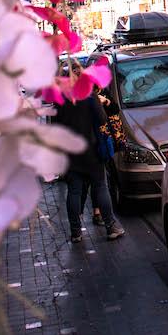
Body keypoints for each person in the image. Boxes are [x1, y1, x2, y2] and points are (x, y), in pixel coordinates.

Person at [52, 89, 125, 242]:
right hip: (92, 152)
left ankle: (76, 232)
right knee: (100, 187)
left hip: (70, 153)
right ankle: (111, 226)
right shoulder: (89, 94)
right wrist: (101, 102)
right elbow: (102, 118)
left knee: (74, 192)